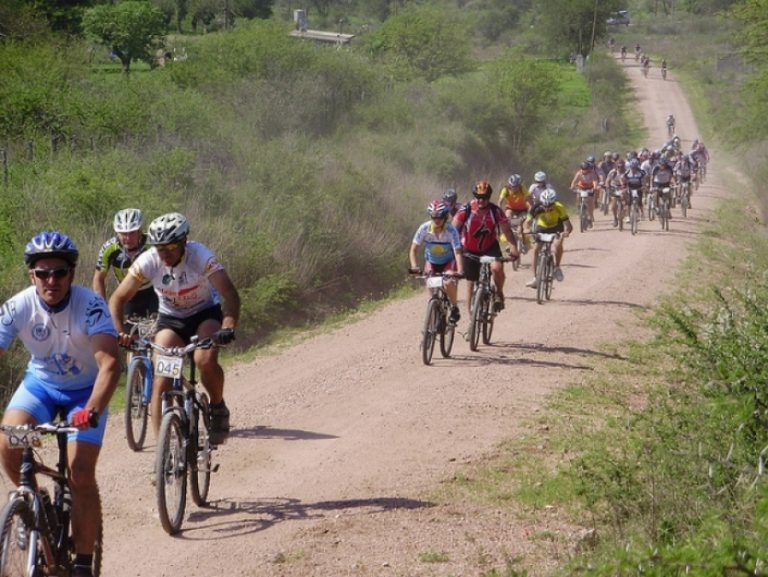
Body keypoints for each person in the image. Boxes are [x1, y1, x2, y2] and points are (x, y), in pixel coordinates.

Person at [0, 231, 121, 577]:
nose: (51, 280)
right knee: (9, 442)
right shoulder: (18, 305)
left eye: (60, 272)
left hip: (84, 394)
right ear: (31, 275)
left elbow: (110, 363)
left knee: (80, 473)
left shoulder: (91, 305)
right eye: (43, 273)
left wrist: (93, 410)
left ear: (72, 273)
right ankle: (32, 503)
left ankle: (82, 562)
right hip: (40, 387)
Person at [108, 213, 240, 445]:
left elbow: (229, 293)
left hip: (204, 314)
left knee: (204, 360)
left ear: (184, 242)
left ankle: (217, 406)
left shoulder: (200, 256)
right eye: (159, 248)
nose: (164, 253)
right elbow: (118, 298)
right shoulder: (149, 260)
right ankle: (164, 451)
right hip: (172, 320)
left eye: (169, 247)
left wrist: (228, 326)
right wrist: (120, 332)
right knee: (162, 380)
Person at [452, 180, 519, 313]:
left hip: (490, 247)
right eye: (479, 197)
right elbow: (452, 230)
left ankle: (499, 293)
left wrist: (513, 247)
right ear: (475, 196)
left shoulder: (496, 211)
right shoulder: (466, 209)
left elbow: (507, 231)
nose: (481, 201)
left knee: (496, 268)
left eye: (485, 198)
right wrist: (454, 248)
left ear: (489, 197)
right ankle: (471, 317)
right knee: (470, 281)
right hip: (470, 248)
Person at [93, 208, 158, 323]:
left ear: (140, 231)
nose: (127, 238)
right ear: (117, 232)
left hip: (154, 290)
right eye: (123, 233)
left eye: (132, 233)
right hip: (128, 293)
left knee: (158, 328)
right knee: (128, 334)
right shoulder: (109, 248)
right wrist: (102, 307)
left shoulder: (153, 243)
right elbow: (99, 278)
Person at [409, 200, 465, 324]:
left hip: (448, 263)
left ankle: (454, 307)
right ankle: (433, 315)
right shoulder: (424, 228)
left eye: (439, 217)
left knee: (449, 281)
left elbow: (457, 252)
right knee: (431, 291)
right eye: (434, 217)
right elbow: (413, 249)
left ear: (445, 217)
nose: (436, 220)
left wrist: (460, 270)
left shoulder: (451, 230)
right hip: (431, 262)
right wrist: (414, 266)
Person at [525, 189, 573, 288]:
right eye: (544, 205)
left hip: (556, 228)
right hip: (542, 228)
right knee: (535, 250)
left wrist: (567, 232)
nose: (546, 208)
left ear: (554, 202)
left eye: (550, 206)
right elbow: (527, 222)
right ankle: (535, 279)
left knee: (557, 245)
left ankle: (557, 267)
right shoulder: (536, 207)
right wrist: (526, 229)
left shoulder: (559, 207)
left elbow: (568, 225)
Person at [570, 161, 599, 227]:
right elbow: (574, 181)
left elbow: (595, 180)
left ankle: (590, 216)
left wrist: (595, 187)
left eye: (586, 169)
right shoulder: (579, 174)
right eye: (583, 169)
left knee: (590, 202)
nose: (585, 171)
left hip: (590, 188)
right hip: (581, 188)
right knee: (578, 195)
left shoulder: (592, 173)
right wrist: (572, 187)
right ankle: (578, 207)